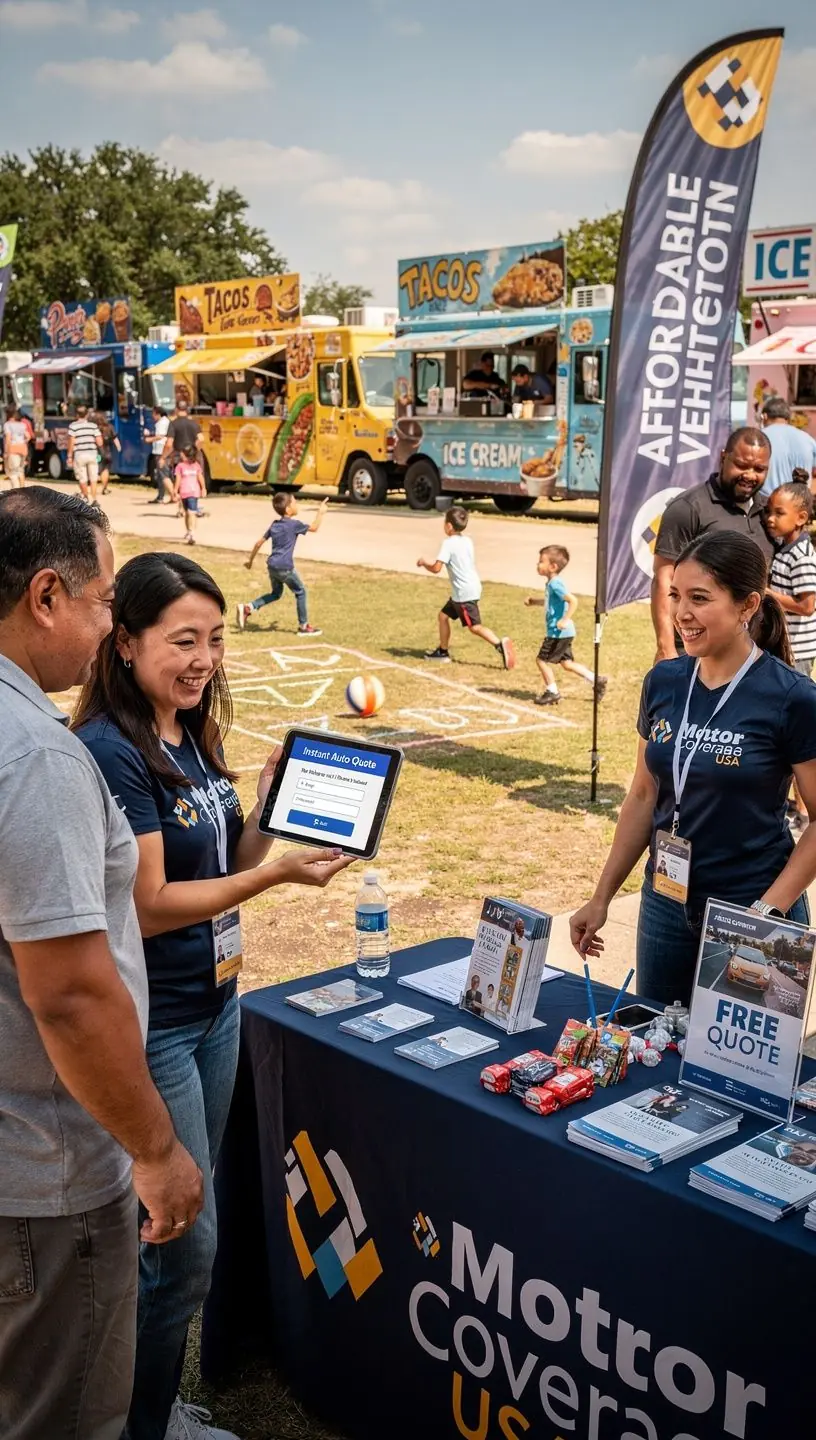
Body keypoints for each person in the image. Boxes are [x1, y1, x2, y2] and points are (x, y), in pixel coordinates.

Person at [73, 551, 353, 1440]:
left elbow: (221, 863)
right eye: (183, 640)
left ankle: (144, 1410)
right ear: (125, 643)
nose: (204, 659)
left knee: (181, 1238)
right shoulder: (111, 754)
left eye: (217, 639)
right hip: (154, 1025)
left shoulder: (185, 730)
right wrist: (273, 880)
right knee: (183, 1248)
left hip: (216, 1008)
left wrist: (267, 807)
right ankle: (142, 1424)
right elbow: (150, 908)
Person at [0, 489, 203, 1440]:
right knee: (68, 1414)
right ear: (47, 596)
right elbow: (74, 995)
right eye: (102, 602)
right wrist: (156, 1152)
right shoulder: (37, 756)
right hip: (47, 1172)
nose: (106, 627)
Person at [570, 531, 816, 1007]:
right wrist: (601, 896)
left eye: (700, 598)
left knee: (738, 1075)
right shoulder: (664, 680)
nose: (682, 613)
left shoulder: (792, 697)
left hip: (751, 907)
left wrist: (764, 916)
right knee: (656, 1051)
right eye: (675, 595)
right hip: (665, 902)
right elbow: (643, 796)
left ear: (747, 607)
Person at [651, 427, 774, 662]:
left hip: (756, 651)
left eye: (759, 469)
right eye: (741, 465)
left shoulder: (769, 512)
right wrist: (666, 648)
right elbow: (663, 578)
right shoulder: (688, 508)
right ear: (723, 457)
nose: (750, 474)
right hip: (697, 648)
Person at [417, 505, 515, 668]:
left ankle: (499, 645)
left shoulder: (448, 544)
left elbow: (436, 568)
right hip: (468, 588)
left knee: (474, 627)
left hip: (463, 593)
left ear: (448, 526)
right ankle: (442, 652)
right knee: (443, 616)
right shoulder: (467, 540)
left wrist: (423, 562)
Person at [525, 543, 607, 705]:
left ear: (553, 566)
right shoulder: (552, 583)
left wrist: (564, 620)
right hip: (565, 633)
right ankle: (596, 680)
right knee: (567, 663)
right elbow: (552, 602)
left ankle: (552, 691)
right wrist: (535, 601)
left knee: (541, 660)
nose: (538, 564)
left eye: (541, 561)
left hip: (558, 632)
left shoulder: (555, 583)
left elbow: (573, 600)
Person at [237, 492, 327, 635]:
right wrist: (321, 512)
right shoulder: (294, 525)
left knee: (276, 593)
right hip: (285, 567)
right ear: (288, 509)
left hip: (272, 566)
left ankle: (248, 607)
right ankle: (304, 627)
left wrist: (250, 561)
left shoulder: (275, 524)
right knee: (301, 592)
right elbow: (315, 527)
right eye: (294, 503)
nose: (297, 505)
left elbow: (259, 543)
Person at [760, 397, 816, 498]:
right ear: (787, 418)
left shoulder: (758, 437)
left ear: (764, 416)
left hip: (766, 504)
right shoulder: (808, 439)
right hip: (799, 505)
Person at [67, 401, 103, 503]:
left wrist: (69, 456)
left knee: (82, 477)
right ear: (87, 414)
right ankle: (94, 499)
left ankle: (86, 497)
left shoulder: (73, 426)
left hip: (79, 454)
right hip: (92, 454)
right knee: (93, 477)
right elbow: (99, 442)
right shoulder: (93, 426)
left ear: (77, 414)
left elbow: (71, 442)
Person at [172, 444, 208, 546]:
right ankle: (188, 530)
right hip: (184, 493)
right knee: (186, 513)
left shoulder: (196, 466)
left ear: (187, 455)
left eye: (182, 454)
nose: (180, 456)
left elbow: (200, 477)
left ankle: (192, 533)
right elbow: (178, 479)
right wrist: (175, 490)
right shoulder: (180, 467)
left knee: (191, 512)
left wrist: (203, 488)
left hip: (194, 492)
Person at [162, 398, 202, 475]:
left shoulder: (173, 424)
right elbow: (201, 439)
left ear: (176, 409)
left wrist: (163, 457)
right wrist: (194, 451)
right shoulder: (194, 423)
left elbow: (169, 444)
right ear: (187, 410)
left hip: (179, 457)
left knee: (179, 481)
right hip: (192, 458)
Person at [145, 405, 172, 504]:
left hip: (161, 451)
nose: (152, 416)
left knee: (163, 474)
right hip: (159, 450)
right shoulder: (162, 422)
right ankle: (160, 496)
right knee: (161, 475)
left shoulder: (163, 422)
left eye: (153, 413)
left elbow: (161, 436)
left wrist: (149, 439)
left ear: (158, 413)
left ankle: (173, 495)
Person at [96, 410, 122, 496]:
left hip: (98, 453)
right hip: (107, 453)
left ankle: (95, 487)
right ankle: (104, 488)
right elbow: (115, 438)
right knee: (106, 470)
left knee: (98, 470)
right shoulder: (110, 427)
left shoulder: (95, 428)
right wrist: (119, 447)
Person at [3, 403, 28, 488]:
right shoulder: (22, 424)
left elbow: (8, 439)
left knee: (13, 473)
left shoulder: (7, 424)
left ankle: (16, 493)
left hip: (13, 449)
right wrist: (23, 442)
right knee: (21, 471)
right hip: (23, 448)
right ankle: (23, 491)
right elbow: (28, 436)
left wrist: (6, 452)